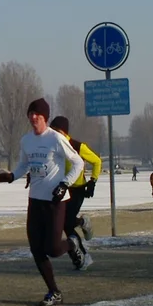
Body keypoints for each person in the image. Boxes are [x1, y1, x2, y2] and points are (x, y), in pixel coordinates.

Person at [0, 98, 83, 306]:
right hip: (35, 201)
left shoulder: (56, 138)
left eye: (38, 114)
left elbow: (78, 163)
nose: (34, 117)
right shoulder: (26, 140)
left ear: (45, 117)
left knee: (53, 248)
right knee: (36, 248)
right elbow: (23, 166)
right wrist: (11, 176)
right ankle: (54, 291)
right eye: (31, 114)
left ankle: (72, 243)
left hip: (55, 201)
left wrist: (64, 184)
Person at [49, 116, 101, 271]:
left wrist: (92, 181)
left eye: (54, 130)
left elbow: (97, 161)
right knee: (64, 225)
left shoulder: (77, 146)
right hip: (60, 189)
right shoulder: (53, 146)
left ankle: (82, 255)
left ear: (62, 131)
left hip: (77, 189)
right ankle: (81, 256)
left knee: (67, 223)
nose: (51, 133)